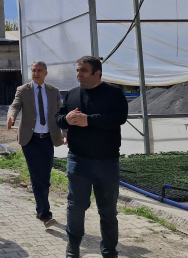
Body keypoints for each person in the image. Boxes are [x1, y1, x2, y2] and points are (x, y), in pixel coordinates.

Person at [56, 56, 128, 258]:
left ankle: (109, 251)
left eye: (84, 71)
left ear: (98, 73)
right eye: (78, 70)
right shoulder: (72, 94)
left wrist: (89, 120)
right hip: (78, 160)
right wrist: (66, 119)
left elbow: (119, 117)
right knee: (76, 206)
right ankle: (73, 247)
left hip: (107, 161)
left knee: (108, 211)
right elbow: (58, 118)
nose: (79, 75)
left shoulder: (113, 93)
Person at [7, 60, 64, 228]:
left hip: (48, 138)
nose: (36, 73)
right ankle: (46, 214)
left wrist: (66, 130)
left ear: (45, 73)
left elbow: (60, 112)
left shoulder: (54, 91)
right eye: (33, 70)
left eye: (39, 70)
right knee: (36, 176)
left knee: (45, 177)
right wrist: (11, 116)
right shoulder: (23, 90)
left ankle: (40, 210)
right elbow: (15, 106)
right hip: (30, 139)